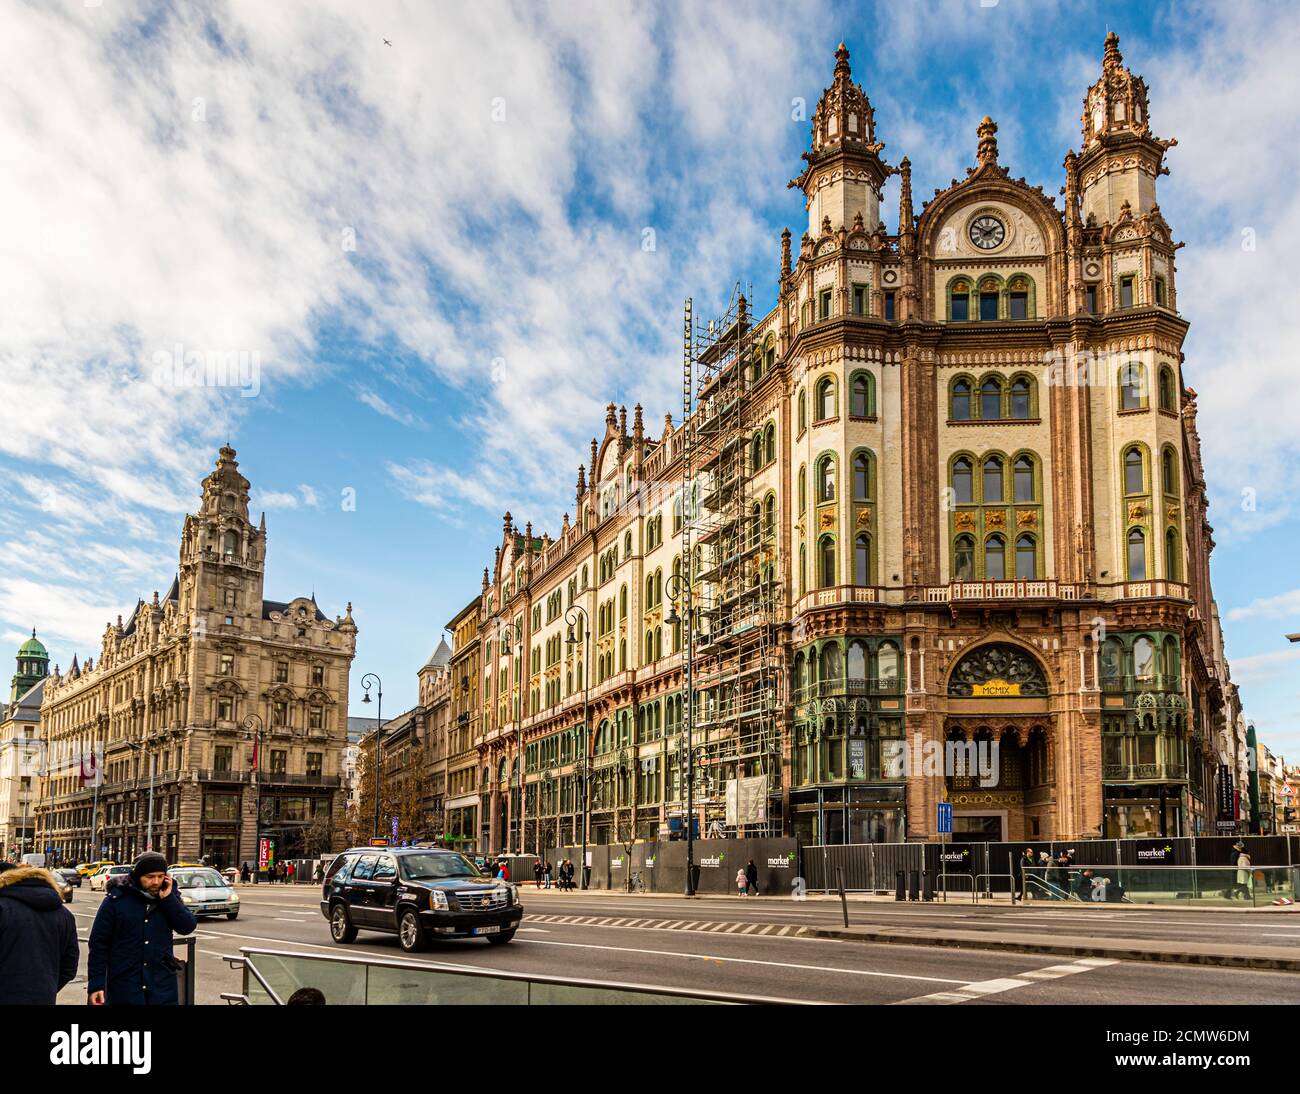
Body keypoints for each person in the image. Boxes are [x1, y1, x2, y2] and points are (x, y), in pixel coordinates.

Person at [87, 852, 197, 1006]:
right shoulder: (116, 900)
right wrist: (96, 984)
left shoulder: (168, 898)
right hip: (125, 985)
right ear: (138, 876)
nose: (156, 882)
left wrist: (169, 899)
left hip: (161, 984)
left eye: (160, 876)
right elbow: (98, 945)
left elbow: (187, 926)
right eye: (150, 877)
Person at [0, 861, 80, 1004]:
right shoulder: (64, 914)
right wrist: (45, 988)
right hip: (44, 997)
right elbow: (69, 966)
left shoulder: (3, 907)